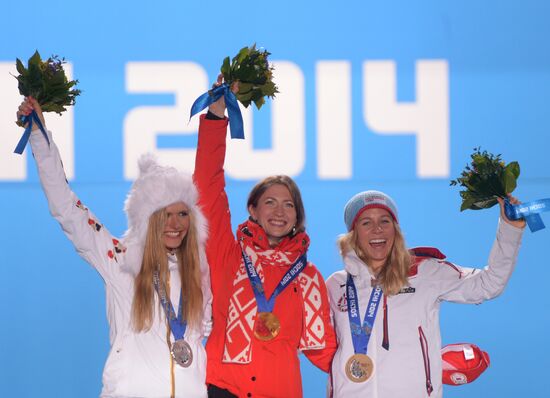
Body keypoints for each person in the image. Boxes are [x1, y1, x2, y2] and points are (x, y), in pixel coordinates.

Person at [17, 97, 212, 398]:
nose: (175, 224)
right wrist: (39, 137)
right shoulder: (120, 259)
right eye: (164, 215)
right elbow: (66, 208)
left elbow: (204, 331)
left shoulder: (199, 269)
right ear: (147, 219)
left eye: (183, 213)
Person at [193, 78, 337, 398]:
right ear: (253, 210)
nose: (279, 211)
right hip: (223, 387)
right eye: (270, 202)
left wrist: (383, 367)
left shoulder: (309, 277)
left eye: (289, 205)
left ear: (297, 218)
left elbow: (326, 351)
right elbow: (207, 187)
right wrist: (217, 118)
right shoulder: (228, 254)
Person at [326, 190, 525, 398]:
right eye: (366, 222)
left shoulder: (425, 271)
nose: (377, 229)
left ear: (395, 230)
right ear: (354, 233)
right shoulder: (336, 285)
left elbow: (489, 283)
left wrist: (510, 228)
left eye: (384, 221)